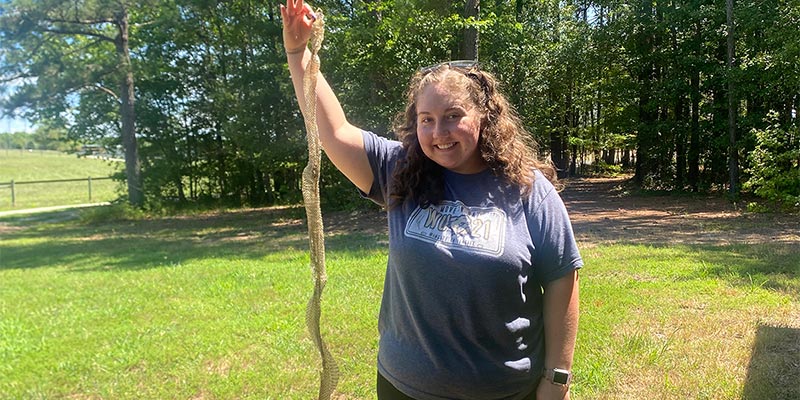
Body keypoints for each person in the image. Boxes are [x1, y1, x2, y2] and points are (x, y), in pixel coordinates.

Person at [281, 1, 582, 399]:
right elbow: (334, 132)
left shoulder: (526, 188)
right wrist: (299, 53)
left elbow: (562, 279)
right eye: (427, 119)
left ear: (484, 117)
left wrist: (556, 378)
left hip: (503, 392)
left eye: (453, 115)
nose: (439, 131)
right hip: (402, 387)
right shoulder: (399, 170)